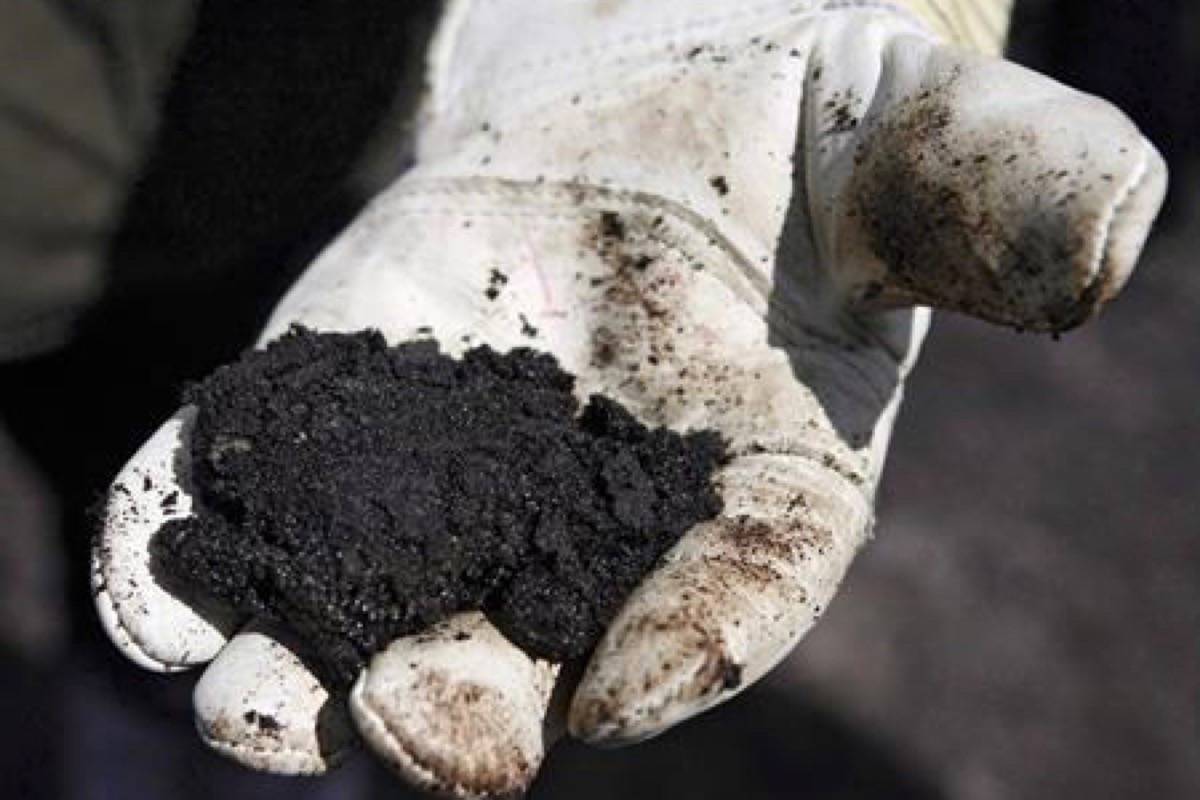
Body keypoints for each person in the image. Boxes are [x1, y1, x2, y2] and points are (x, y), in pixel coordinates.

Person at [3, 1, 1168, 798]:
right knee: (138, 545)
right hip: (44, 225)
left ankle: (141, 740)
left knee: (178, 603)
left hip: (335, 144)